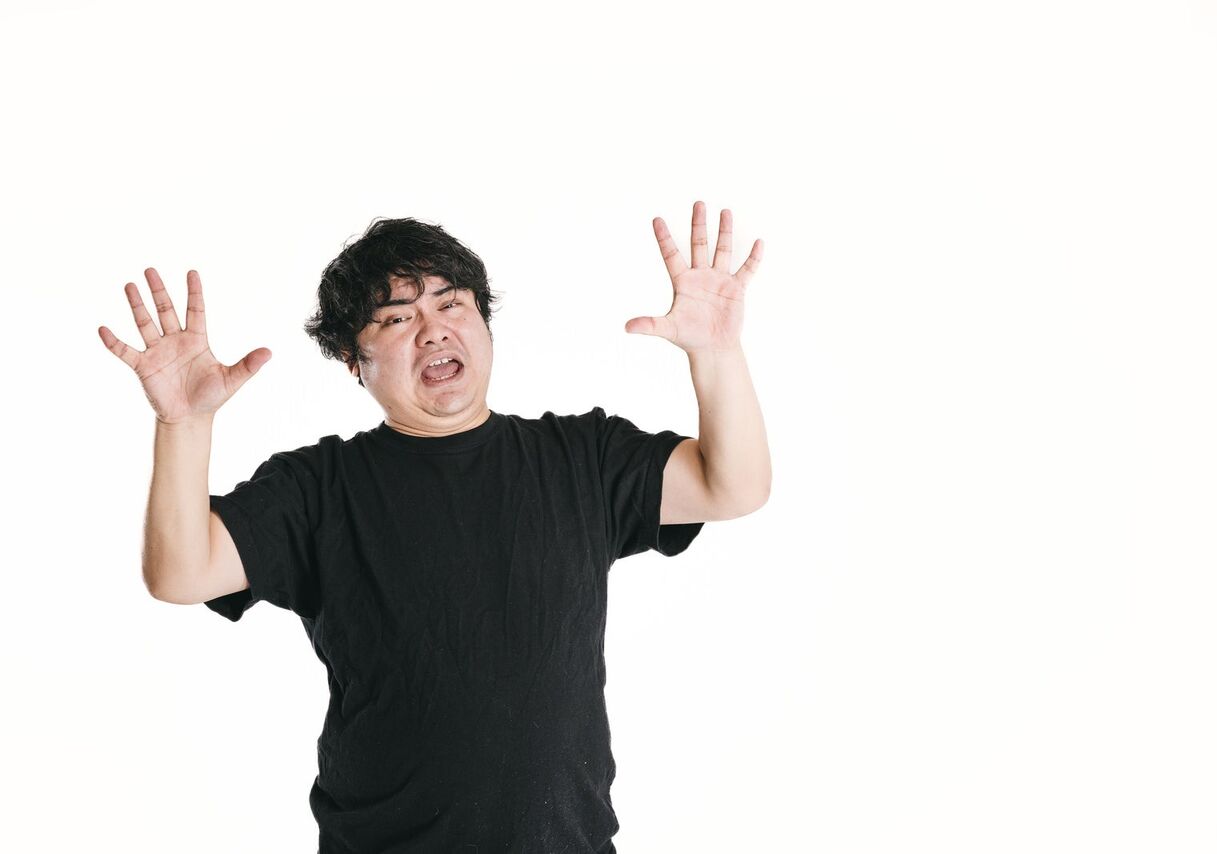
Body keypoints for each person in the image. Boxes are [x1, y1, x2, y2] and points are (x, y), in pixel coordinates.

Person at [98, 201, 771, 853]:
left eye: (451, 304)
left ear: (483, 321)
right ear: (352, 359)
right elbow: (181, 574)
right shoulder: (318, 489)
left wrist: (717, 354)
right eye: (396, 318)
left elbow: (733, 486)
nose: (433, 330)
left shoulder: (583, 458)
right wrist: (184, 425)